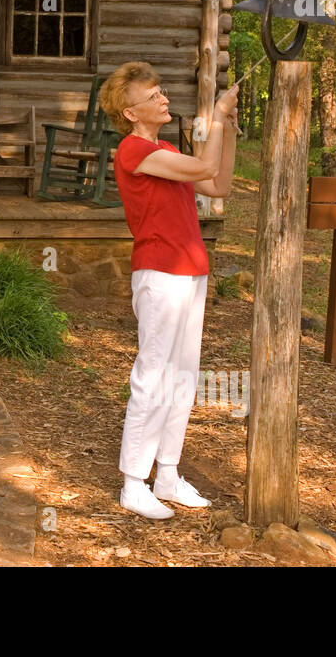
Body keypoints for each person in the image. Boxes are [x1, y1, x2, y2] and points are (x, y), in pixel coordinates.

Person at [99, 61, 238, 520]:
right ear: (131, 111)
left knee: (182, 378)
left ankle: (168, 475)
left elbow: (218, 182)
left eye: (161, 90)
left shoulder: (165, 148)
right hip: (159, 275)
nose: (162, 98)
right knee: (153, 375)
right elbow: (204, 164)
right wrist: (215, 116)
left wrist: (229, 128)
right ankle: (133, 483)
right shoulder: (132, 150)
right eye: (152, 95)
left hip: (191, 271)